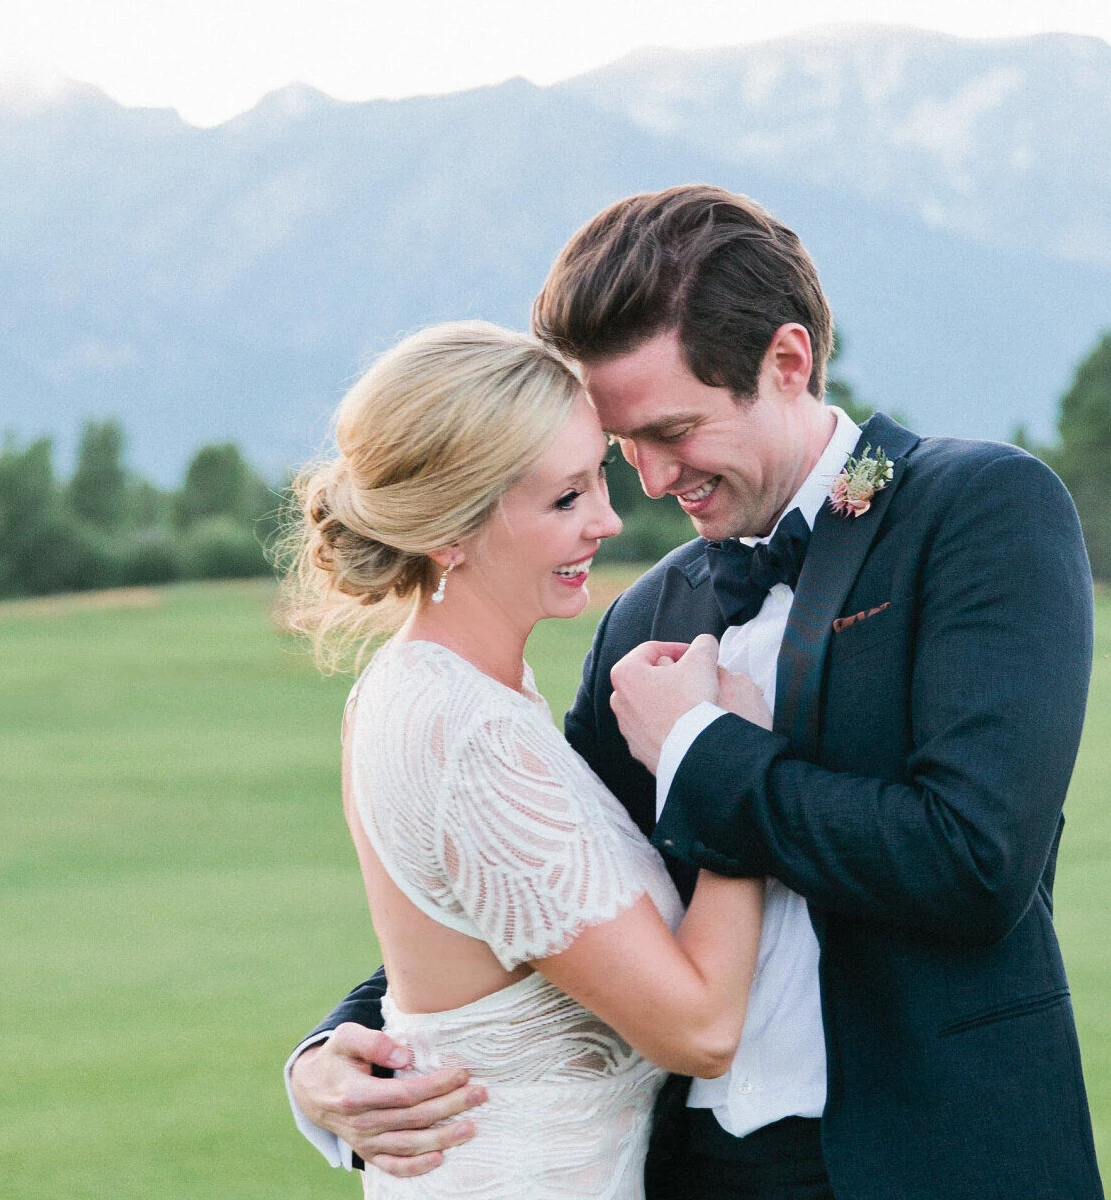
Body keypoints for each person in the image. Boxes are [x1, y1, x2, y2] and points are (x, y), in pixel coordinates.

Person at [289, 185, 1104, 1199]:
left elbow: (974, 862)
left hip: (935, 1153)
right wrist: (339, 1044)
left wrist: (708, 754)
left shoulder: (975, 509)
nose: (645, 477)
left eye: (671, 430)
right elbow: (552, 877)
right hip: (688, 1173)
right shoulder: (646, 614)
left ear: (787, 362)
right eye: (619, 441)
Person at [280, 320, 774, 1198]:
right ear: (449, 533)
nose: (609, 520)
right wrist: (723, 758)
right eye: (564, 500)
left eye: (600, 479)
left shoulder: (435, 688)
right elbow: (698, 1027)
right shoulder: (466, 735)